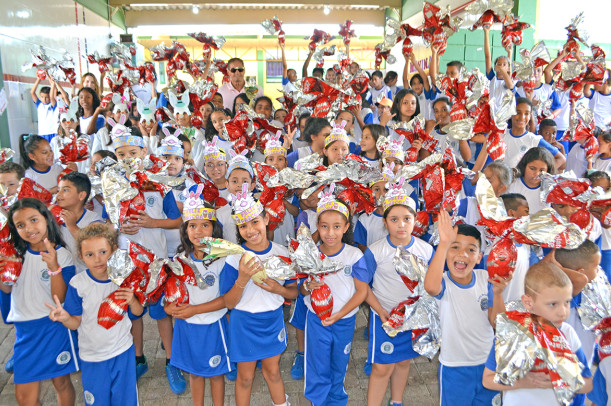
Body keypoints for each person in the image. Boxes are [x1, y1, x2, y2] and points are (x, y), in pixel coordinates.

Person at [356, 179, 433, 406]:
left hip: (412, 318)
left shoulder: (426, 250)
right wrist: (379, 311)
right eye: (394, 219)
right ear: (385, 222)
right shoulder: (375, 251)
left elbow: (432, 285)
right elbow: (362, 286)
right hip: (385, 317)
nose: (401, 225)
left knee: (403, 362)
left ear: (415, 220)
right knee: (381, 366)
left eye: (407, 219)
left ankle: (396, 401)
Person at [220, 185, 297, 406]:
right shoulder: (234, 258)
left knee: (273, 372)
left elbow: (294, 292)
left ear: (266, 219)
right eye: (243, 226)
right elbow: (229, 303)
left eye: (255, 221)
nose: (250, 230)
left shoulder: (282, 253)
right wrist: (242, 279)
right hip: (243, 323)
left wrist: (278, 290)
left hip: (271, 320)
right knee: (245, 377)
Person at [47, 223, 141, 406]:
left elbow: (137, 313)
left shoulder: (123, 279)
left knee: (126, 401)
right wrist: (65, 318)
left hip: (123, 352)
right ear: (81, 257)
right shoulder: (78, 285)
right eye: (90, 255)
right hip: (93, 358)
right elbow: (76, 323)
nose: (98, 259)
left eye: (103, 252)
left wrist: (133, 301)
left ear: (113, 250)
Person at [1, 198, 78, 406]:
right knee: (24, 398)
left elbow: (60, 299)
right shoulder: (14, 253)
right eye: (20, 225)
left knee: (61, 382)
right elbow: (6, 288)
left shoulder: (62, 254)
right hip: (25, 330)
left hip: (53, 328)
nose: (29, 229)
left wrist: (54, 267)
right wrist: (3, 270)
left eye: (34, 220)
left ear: (46, 218)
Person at [482, 262, 593, 405]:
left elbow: (587, 384)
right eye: (553, 304)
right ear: (528, 302)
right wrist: (523, 382)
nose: (563, 312)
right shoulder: (512, 333)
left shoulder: (568, 333)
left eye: (567, 302)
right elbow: (488, 380)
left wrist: (560, 380)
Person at [424, 210, 505, 406]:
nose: (462, 254)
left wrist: (500, 293)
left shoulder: (486, 279)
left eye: (471, 250)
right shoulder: (443, 282)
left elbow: (497, 323)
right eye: (455, 247)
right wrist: (443, 243)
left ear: (479, 257)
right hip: (454, 367)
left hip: (488, 364)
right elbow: (431, 287)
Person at [166, 185, 230, 406]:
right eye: (192, 225)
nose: (199, 231)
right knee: (195, 373)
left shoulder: (223, 259)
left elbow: (228, 300)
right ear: (185, 230)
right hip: (187, 327)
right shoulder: (178, 260)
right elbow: (170, 299)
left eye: (205, 225)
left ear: (214, 229)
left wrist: (194, 310)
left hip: (214, 325)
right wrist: (169, 309)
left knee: (216, 374)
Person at [56, 171, 104, 273]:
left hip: (86, 279)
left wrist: (72, 226)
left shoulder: (94, 220)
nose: (59, 195)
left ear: (81, 195)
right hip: (61, 277)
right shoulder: (54, 218)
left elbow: (95, 248)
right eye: (58, 190)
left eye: (65, 190)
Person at [502, 98, 565, 170]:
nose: (522, 117)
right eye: (518, 112)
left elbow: (561, 159)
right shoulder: (502, 134)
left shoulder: (533, 139)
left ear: (530, 116)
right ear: (511, 113)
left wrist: (539, 175)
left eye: (526, 113)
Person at [507, 147, 556, 214]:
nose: (536, 174)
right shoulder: (512, 184)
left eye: (542, 170)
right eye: (532, 168)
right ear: (524, 166)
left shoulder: (550, 189)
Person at [30, 75, 58, 142]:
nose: (44, 99)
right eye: (42, 97)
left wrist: (52, 83)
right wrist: (39, 79)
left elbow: (53, 94)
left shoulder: (53, 105)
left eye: (46, 97)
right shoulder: (39, 105)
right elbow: (32, 92)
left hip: (52, 132)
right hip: (42, 133)